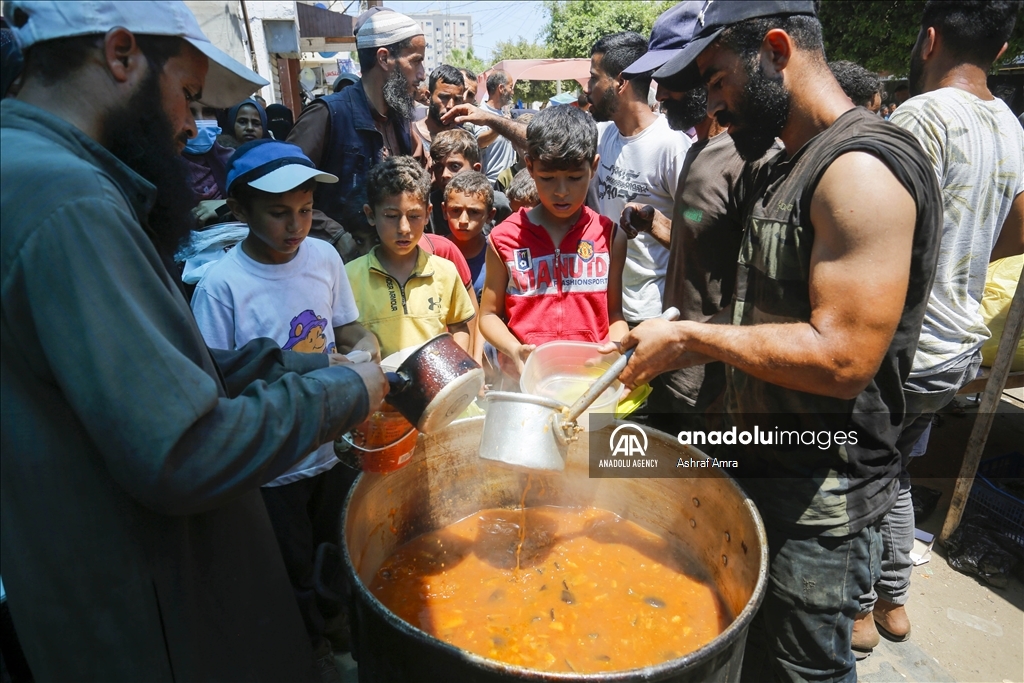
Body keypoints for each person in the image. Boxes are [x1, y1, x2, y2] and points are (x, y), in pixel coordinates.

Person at [0, 1, 388, 680]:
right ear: (121, 56)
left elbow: (167, 368)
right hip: (145, 618)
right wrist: (341, 390)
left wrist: (300, 363)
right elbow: (182, 447)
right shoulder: (69, 201)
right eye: (186, 95)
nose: (190, 125)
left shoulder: (29, 169)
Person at [616, 2, 942, 680]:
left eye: (718, 78)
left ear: (773, 50)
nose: (712, 101)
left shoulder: (859, 170)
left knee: (801, 669)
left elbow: (843, 357)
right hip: (763, 460)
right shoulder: (778, 164)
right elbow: (743, 294)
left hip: (821, 493)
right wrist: (667, 328)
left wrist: (694, 341)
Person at [852, 0, 1024, 656]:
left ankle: (861, 611)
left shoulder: (921, 116)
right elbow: (1020, 225)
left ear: (928, 40)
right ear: (1002, 51)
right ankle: (894, 601)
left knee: (860, 475)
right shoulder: (1008, 120)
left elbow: (883, 224)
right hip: (958, 345)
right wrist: (964, 256)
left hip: (905, 344)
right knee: (893, 473)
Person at [190, 140, 379, 679]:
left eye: (304, 211)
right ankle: (309, 649)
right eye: (278, 214)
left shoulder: (322, 257)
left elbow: (347, 327)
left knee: (338, 549)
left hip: (334, 446)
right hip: (276, 465)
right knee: (290, 565)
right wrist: (318, 368)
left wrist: (366, 347)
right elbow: (220, 389)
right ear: (239, 211)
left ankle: (340, 626)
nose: (295, 227)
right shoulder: (222, 288)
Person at [617, 1, 766, 434]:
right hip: (680, 371)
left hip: (714, 387)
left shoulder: (749, 159)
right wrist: (656, 223)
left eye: (671, 78)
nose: (659, 94)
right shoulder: (699, 150)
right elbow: (704, 226)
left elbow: (753, 285)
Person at [480, 105, 629, 381]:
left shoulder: (611, 237)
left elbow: (615, 314)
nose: (562, 191)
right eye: (547, 178)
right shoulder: (503, 238)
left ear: (593, 167)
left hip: (587, 381)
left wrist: (616, 347)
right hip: (526, 384)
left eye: (574, 178)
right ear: (530, 167)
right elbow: (488, 315)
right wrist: (513, 349)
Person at [287, 8, 426, 261]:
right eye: (415, 61)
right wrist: (338, 237)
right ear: (384, 58)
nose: (422, 74)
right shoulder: (328, 115)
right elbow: (286, 190)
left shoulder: (400, 122)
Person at [586, 31, 691, 325]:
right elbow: (551, 144)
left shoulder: (670, 144)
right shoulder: (606, 136)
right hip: (611, 309)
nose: (588, 88)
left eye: (594, 78)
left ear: (620, 82)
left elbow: (697, 217)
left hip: (658, 314)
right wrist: (491, 119)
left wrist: (657, 220)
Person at [347, 156, 476, 358]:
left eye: (414, 216)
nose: (404, 228)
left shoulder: (445, 271)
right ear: (370, 215)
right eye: (391, 216)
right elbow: (344, 338)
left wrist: (452, 366)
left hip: (435, 385)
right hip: (377, 386)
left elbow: (460, 327)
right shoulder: (349, 277)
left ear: (427, 214)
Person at [183, 99, 235, 226]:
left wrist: (226, 206)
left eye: (208, 111)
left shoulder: (232, 161)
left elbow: (259, 201)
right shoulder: (155, 170)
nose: (200, 121)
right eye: (189, 111)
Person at [411, 64, 467, 157]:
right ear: (429, 96)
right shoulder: (408, 135)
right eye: (444, 97)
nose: (451, 106)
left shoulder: (466, 142)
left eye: (457, 99)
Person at [476, 69, 519, 185]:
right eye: (511, 87)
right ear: (501, 88)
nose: (513, 92)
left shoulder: (503, 114)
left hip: (508, 182)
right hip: (491, 184)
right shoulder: (481, 113)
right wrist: (501, 125)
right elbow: (480, 141)